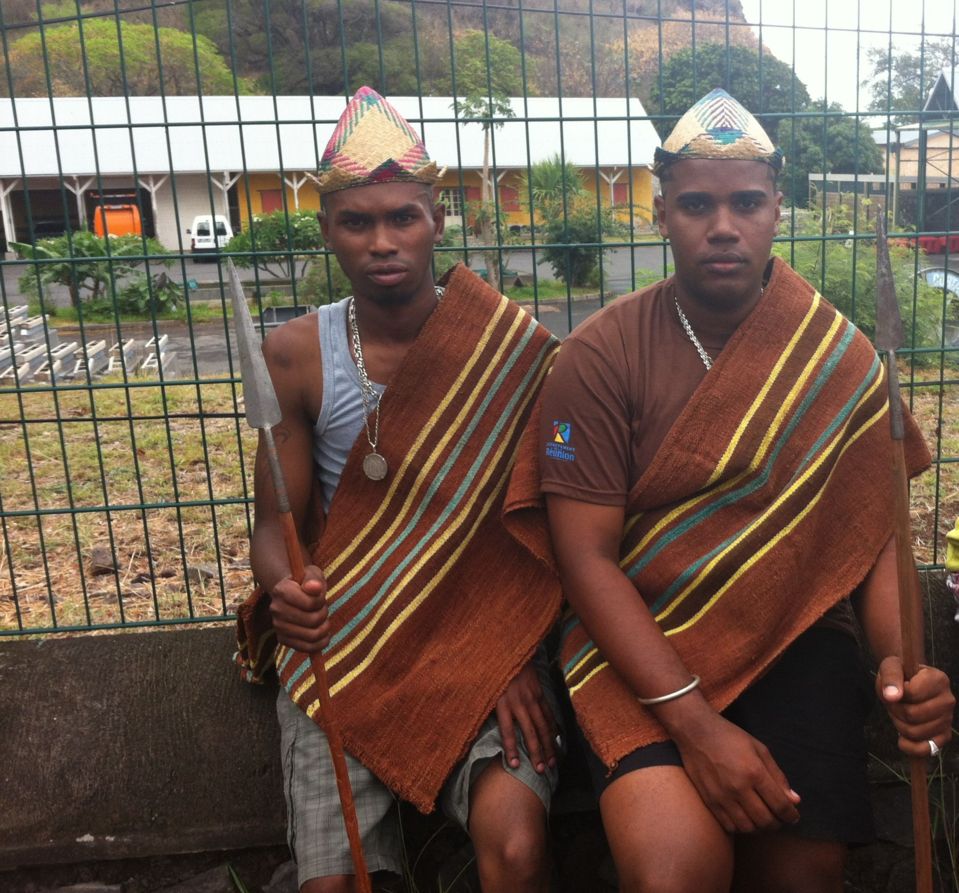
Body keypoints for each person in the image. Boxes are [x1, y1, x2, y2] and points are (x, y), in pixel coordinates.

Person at [535, 89, 955, 892]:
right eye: (695, 204)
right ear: (659, 213)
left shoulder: (840, 357)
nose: (721, 225)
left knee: (805, 872)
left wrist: (903, 667)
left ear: (775, 210)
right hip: (641, 649)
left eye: (746, 203)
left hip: (792, 637)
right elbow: (583, 559)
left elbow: (872, 541)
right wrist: (695, 727)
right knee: (675, 870)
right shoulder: (596, 357)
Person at [234, 87, 563, 893]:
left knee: (514, 844)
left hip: (477, 638)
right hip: (342, 638)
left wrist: (511, 650)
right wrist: (285, 591)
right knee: (334, 885)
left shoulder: (507, 346)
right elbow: (275, 526)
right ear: (327, 232)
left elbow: (543, 516)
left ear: (437, 219)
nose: (382, 241)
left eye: (403, 218)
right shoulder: (296, 353)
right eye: (357, 222)